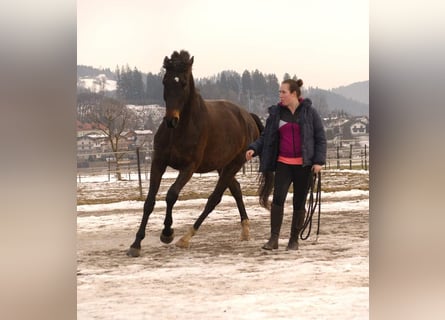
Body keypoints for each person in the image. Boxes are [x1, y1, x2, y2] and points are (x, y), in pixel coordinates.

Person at [246, 78, 327, 250]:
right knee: (278, 200)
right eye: (279, 92)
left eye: (283, 92)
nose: (280, 95)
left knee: (299, 202)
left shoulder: (309, 113)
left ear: (294, 94)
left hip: (304, 166)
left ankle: (293, 240)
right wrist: (254, 148)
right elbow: (265, 137)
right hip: (283, 163)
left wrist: (318, 161)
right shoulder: (276, 114)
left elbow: (320, 138)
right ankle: (273, 239)